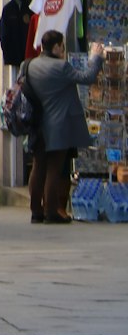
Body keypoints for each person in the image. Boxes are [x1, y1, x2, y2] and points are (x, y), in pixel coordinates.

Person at [26, 30, 103, 224]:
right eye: (62, 46)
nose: (63, 49)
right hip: (58, 125)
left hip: (36, 124)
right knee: (54, 168)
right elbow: (87, 77)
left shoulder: (29, 65)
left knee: (38, 166)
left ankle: (36, 211)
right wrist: (95, 56)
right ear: (57, 47)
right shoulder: (61, 67)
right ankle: (51, 211)